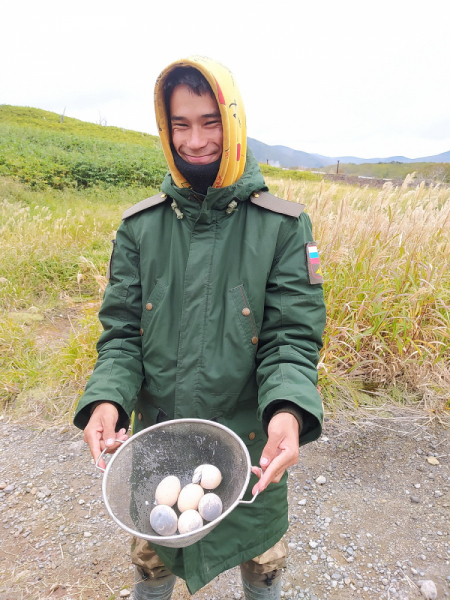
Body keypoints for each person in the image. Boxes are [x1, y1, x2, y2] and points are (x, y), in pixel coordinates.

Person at [74, 55, 326, 600]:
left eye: (210, 121)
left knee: (263, 568)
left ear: (232, 121)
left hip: (251, 444)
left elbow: (292, 338)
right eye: (181, 124)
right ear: (166, 129)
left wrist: (288, 410)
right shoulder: (141, 228)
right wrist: (107, 401)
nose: (195, 140)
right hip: (157, 444)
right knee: (153, 562)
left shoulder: (282, 227)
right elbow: (120, 333)